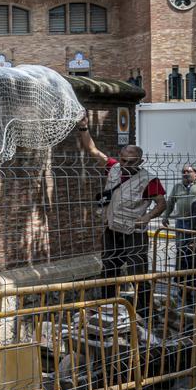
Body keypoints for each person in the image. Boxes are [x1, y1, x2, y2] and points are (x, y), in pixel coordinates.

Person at [76, 121, 166, 312]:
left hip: (133, 231)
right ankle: (108, 307)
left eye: (130, 162)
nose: (125, 165)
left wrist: (148, 217)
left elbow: (161, 203)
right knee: (108, 269)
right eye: (122, 159)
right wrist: (83, 127)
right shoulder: (113, 168)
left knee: (137, 273)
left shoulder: (148, 179)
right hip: (111, 228)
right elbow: (92, 150)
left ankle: (144, 311)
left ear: (140, 161)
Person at [163, 164, 196, 272]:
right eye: (184, 172)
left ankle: (194, 272)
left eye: (189, 171)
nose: (186, 174)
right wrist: (165, 216)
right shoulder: (177, 187)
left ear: (195, 173)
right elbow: (170, 202)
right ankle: (182, 273)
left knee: (195, 248)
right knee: (181, 248)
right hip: (181, 221)